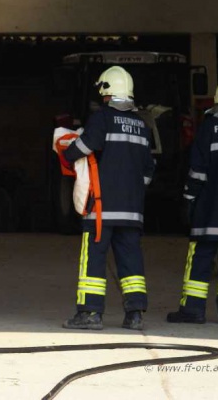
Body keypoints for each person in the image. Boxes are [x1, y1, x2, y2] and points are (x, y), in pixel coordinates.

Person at [61, 66, 154, 331]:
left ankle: (90, 313)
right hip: (132, 210)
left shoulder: (102, 118)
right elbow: (148, 170)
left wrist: (66, 154)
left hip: (101, 209)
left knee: (93, 259)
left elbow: (84, 146)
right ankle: (135, 315)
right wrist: (131, 191)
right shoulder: (143, 125)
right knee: (131, 259)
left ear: (106, 91)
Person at [167, 77, 218, 325]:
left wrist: (188, 198)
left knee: (201, 258)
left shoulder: (209, 126)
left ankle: (193, 310)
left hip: (209, 211)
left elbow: (198, 170)